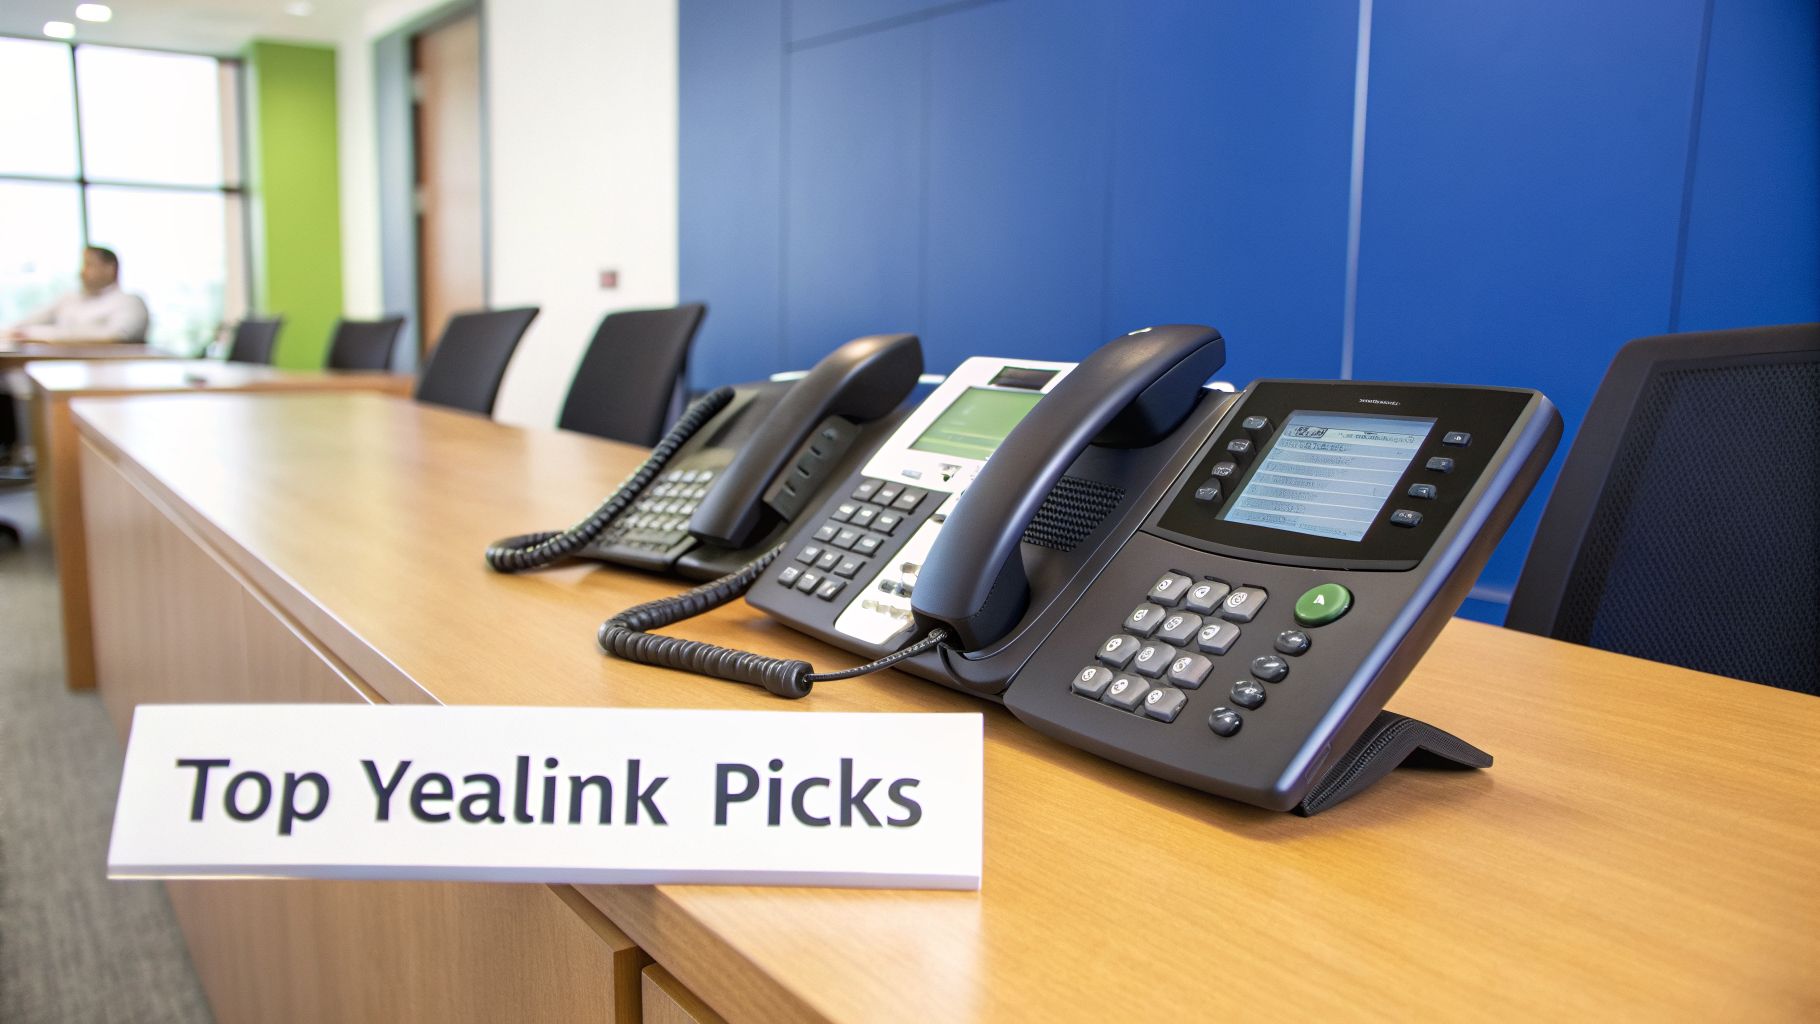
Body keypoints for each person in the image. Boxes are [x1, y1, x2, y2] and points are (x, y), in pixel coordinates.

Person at [4, 246, 150, 342]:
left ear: (110, 269)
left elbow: (114, 336)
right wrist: (15, 333)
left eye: (89, 265)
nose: (82, 272)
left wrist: (38, 334)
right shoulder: (69, 299)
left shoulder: (130, 302)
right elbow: (23, 325)